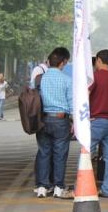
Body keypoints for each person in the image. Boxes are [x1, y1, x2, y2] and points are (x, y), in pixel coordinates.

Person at [35, 47, 72, 198]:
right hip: (60, 120)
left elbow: (33, 100)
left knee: (44, 153)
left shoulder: (39, 78)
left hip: (42, 120)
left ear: (49, 61)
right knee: (60, 154)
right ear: (63, 62)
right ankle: (58, 187)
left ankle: (42, 187)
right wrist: (75, 122)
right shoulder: (67, 80)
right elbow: (72, 103)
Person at [89, 49, 108, 198]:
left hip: (96, 121)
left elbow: (86, 94)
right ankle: (107, 190)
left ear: (99, 60)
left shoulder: (95, 77)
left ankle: (82, 187)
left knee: (86, 154)